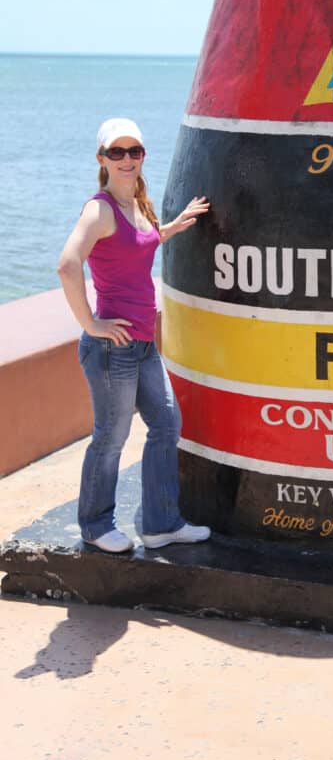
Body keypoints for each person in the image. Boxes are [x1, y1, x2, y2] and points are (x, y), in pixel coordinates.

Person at [57, 117, 211, 554]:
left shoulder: (137, 203)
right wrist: (91, 324)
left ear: (143, 156)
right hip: (112, 348)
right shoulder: (100, 208)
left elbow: (137, 244)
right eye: (117, 153)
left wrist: (173, 226)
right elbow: (68, 265)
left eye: (134, 152)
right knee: (111, 437)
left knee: (166, 424)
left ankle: (161, 523)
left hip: (143, 344)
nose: (127, 160)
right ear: (102, 159)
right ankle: (95, 525)